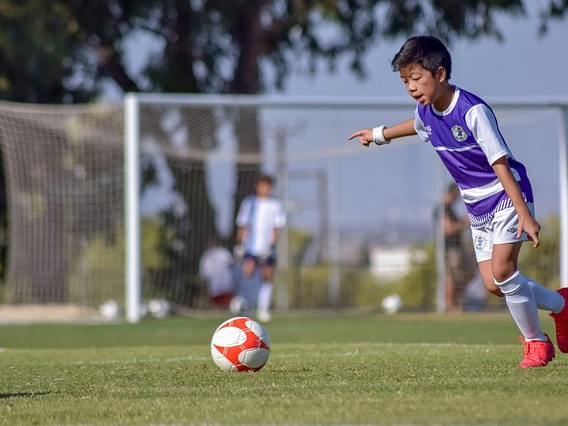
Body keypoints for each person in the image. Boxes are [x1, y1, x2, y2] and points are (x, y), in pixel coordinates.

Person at [348, 35, 568, 368]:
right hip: (476, 207)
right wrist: (378, 135)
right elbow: (417, 125)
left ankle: (536, 343)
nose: (410, 87)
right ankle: (561, 305)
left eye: (416, 78)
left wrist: (524, 213)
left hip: (506, 195)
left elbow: (500, 162)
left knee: (505, 271)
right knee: (495, 285)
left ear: (439, 74)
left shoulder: (472, 110)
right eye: (405, 81)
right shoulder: (425, 109)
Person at [235, 174, 286, 322]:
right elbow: (243, 224)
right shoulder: (249, 203)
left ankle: (263, 309)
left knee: (266, 276)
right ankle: (246, 306)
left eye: (268, 186)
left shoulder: (275, 205)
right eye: (262, 185)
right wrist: (239, 244)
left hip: (266, 247)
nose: (265, 189)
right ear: (257, 186)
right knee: (247, 274)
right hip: (250, 246)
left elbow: (277, 227)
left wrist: (272, 245)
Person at [441, 182, 472, 312]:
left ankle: (455, 300)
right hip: (451, 249)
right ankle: (450, 304)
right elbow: (447, 229)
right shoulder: (444, 208)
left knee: (468, 273)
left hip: (458, 247)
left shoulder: (451, 208)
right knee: (452, 276)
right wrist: (464, 224)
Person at [199, 241, 236, 309]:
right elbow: (204, 275)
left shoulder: (223, 252)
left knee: (226, 308)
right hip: (214, 288)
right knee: (216, 309)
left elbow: (232, 266)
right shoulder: (206, 256)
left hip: (226, 286)